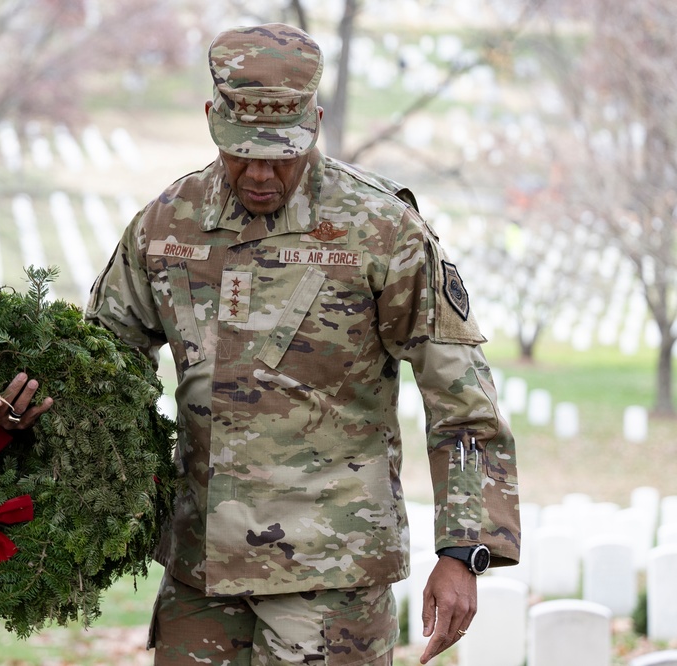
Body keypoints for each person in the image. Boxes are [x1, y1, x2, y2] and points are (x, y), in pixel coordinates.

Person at [80, 22, 521, 666]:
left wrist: (464, 551)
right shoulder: (165, 224)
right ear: (210, 118)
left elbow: (462, 399)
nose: (260, 173)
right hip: (199, 577)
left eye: (282, 153)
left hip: (332, 578)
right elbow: (103, 362)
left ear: (315, 121)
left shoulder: (382, 231)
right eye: (240, 151)